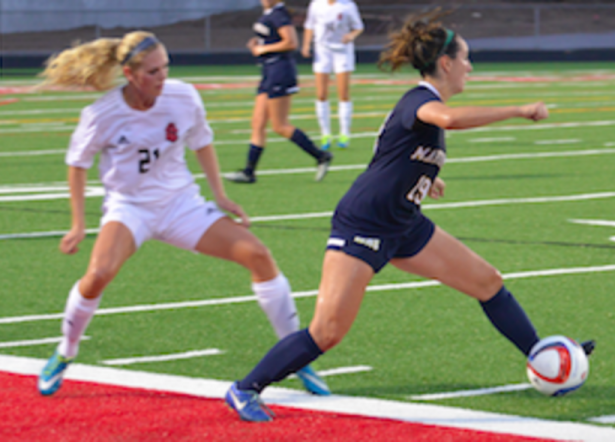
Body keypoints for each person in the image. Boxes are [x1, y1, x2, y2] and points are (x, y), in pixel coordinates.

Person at [224, 12, 593, 422]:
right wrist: (519, 109)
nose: (470, 67)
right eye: (466, 58)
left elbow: (392, 155)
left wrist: (425, 180)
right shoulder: (421, 100)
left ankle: (544, 357)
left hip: (404, 223)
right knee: (327, 331)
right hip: (364, 224)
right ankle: (245, 388)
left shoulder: (424, 107)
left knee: (487, 281)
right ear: (446, 63)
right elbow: (449, 120)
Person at [34, 31, 329, 397]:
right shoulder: (102, 114)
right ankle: (66, 352)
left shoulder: (182, 96)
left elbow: (202, 141)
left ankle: (295, 357)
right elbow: (76, 164)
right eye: (153, 71)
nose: (162, 77)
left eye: (165, 68)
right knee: (98, 274)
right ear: (129, 73)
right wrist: (78, 223)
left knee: (258, 255)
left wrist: (221, 195)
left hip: (180, 204)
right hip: (130, 208)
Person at [224, 0, 333, 184]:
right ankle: (249, 172)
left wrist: (263, 48)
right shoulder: (270, 13)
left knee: (279, 125)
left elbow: (291, 42)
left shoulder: (279, 14)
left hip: (280, 72)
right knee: (257, 122)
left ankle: (321, 156)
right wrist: (258, 43)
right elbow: (272, 37)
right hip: (269, 71)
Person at [301, 0, 364, 150]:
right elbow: (309, 26)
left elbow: (358, 27)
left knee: (343, 93)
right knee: (321, 93)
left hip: (342, 52)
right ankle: (325, 134)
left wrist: (351, 36)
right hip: (322, 51)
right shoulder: (316, 4)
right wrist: (306, 45)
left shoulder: (348, 5)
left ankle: (344, 133)